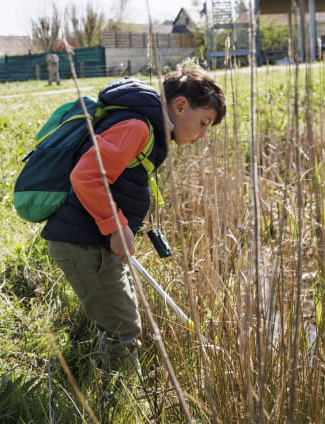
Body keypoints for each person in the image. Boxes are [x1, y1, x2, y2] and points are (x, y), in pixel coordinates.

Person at [42, 62, 226, 374]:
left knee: (120, 316)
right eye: (204, 122)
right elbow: (86, 176)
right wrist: (116, 226)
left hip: (92, 241)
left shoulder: (151, 130)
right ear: (180, 105)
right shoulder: (138, 128)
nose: (202, 135)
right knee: (123, 328)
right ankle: (118, 399)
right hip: (82, 243)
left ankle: (102, 379)